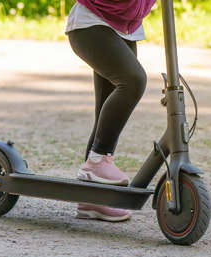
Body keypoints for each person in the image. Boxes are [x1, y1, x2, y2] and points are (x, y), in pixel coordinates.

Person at [65, 0, 157, 222]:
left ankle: (91, 200)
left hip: (125, 29)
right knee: (133, 81)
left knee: (104, 116)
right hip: (92, 24)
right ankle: (96, 162)